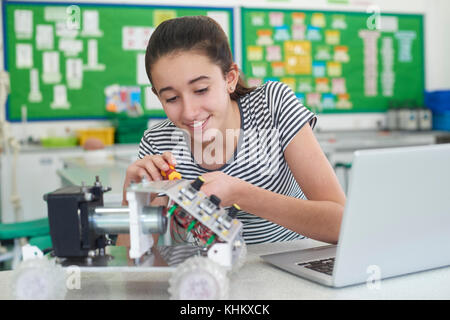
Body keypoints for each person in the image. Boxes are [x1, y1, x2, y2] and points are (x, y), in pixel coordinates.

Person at [121, 15, 345, 246]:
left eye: (200, 90)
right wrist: (132, 201)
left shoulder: (271, 106)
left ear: (230, 78)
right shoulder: (157, 142)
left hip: (293, 268)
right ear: (158, 97)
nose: (189, 112)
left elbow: (342, 224)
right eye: (172, 98)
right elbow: (136, 261)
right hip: (210, 274)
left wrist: (241, 194)